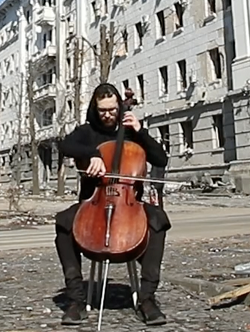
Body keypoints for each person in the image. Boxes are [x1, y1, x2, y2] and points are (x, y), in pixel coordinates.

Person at [54, 83, 170, 326]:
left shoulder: (130, 131)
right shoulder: (87, 131)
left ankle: (147, 298)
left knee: (158, 220)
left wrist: (141, 132)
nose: (108, 115)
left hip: (129, 203)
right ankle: (76, 299)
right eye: (102, 110)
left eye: (112, 109)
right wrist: (93, 154)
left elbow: (160, 158)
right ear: (95, 109)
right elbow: (65, 146)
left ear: (119, 106)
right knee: (63, 223)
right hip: (94, 202)